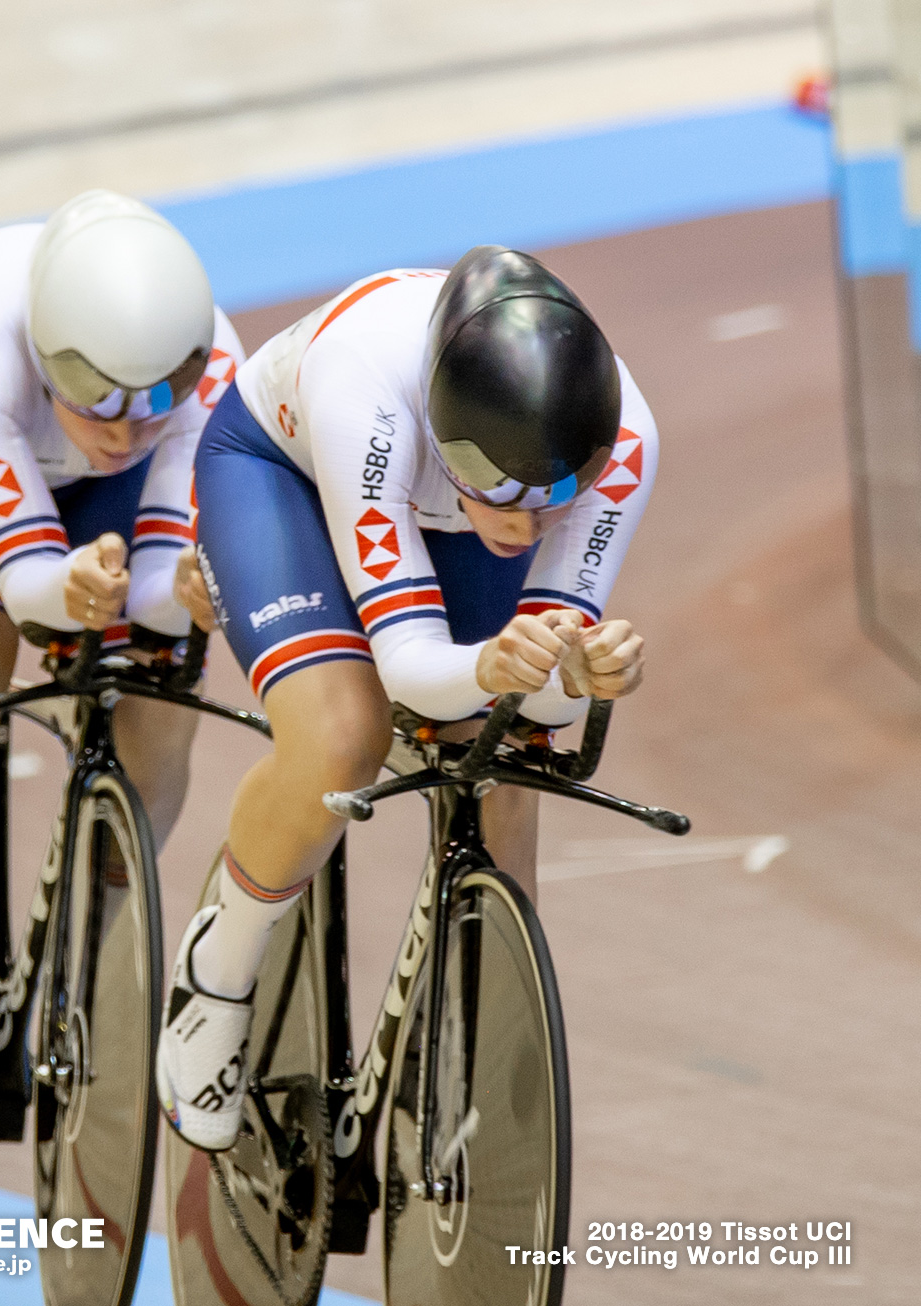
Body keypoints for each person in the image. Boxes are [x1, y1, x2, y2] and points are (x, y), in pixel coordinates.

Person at [160, 246, 657, 1150]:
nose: (526, 521)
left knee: (510, 763)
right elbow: (407, 663)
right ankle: (219, 971)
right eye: (500, 486)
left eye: (556, 497)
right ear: (441, 423)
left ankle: (485, 1054)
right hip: (287, 477)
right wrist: (499, 667)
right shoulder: (367, 385)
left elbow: (536, 700)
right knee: (341, 735)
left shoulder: (621, 444)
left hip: (438, 510)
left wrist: (580, 672)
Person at [0, 190, 244, 1097]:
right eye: (95, 400)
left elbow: (160, 578)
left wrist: (178, 592)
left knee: (161, 700)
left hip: (102, 501)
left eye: (150, 408)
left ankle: (89, 952)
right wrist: (69, 590)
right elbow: (24, 579)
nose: (119, 431)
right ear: (44, 352)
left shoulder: (214, 360)